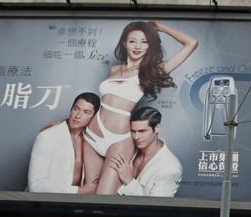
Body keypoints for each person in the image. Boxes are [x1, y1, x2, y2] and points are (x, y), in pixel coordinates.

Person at [82, 20, 197, 194]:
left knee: (103, 196)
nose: (137, 46)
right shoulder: (114, 69)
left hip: (118, 140)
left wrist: (162, 28)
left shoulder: (152, 71)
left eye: (144, 42)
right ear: (124, 43)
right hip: (91, 135)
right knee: (89, 192)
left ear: (150, 46)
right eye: (132, 41)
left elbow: (192, 43)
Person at [27, 92, 101, 194]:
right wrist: (81, 191)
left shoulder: (90, 140)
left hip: (75, 205)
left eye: (86, 112)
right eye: (76, 109)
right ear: (71, 109)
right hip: (46, 204)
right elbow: (36, 186)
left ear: (94, 116)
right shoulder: (48, 136)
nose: (78, 116)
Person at [106, 106, 182, 197]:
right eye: (133, 131)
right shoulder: (130, 148)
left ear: (157, 128)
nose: (136, 137)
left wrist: (129, 181)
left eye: (142, 131)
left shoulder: (171, 168)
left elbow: (156, 207)